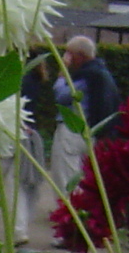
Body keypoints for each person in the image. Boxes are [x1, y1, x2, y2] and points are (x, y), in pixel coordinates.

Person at [49, 35, 120, 189]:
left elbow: (62, 96)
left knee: (65, 177)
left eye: (69, 54)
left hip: (72, 132)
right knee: (83, 177)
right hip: (90, 133)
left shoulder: (88, 75)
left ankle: (70, 210)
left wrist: (61, 75)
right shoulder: (103, 74)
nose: (65, 58)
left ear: (80, 55)